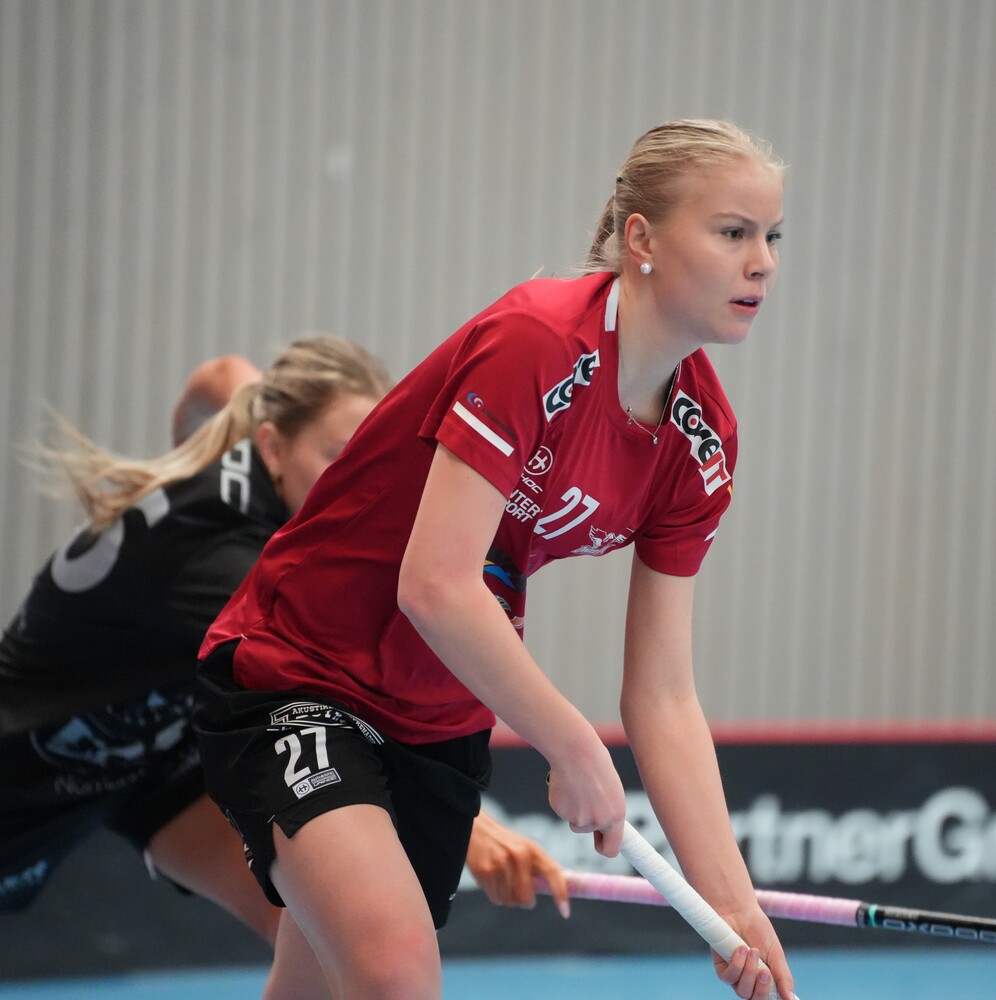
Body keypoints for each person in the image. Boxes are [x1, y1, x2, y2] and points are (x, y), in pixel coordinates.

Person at [192, 118, 795, 1000]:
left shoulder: (703, 443)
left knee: (319, 987)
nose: (763, 262)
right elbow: (435, 584)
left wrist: (733, 904)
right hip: (302, 672)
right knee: (396, 975)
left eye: (773, 237)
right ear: (641, 240)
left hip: (439, 718)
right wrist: (572, 746)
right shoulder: (538, 340)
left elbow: (664, 692)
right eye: (733, 232)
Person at [0, 337, 391, 952]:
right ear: (273, 447)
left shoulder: (269, 442)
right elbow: (342, 695)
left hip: (158, 756)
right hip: (33, 760)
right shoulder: (226, 558)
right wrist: (475, 832)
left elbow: (222, 374)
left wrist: (187, 453)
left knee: (317, 924)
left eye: (368, 462)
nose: (355, 486)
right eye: (337, 458)